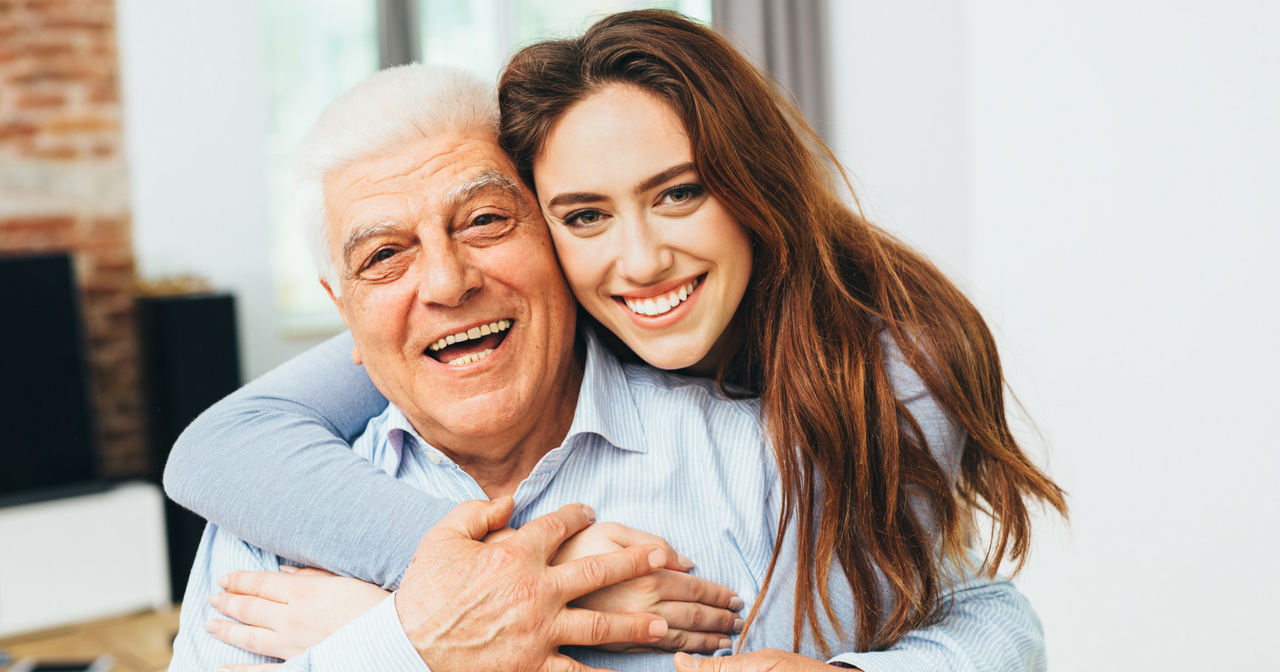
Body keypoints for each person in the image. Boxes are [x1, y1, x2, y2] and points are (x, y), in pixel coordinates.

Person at [168, 10, 1065, 670]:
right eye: (385, 258)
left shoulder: (803, 428)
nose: (444, 283)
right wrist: (412, 636)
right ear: (344, 309)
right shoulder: (269, 523)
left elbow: (981, 619)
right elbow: (220, 443)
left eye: (483, 220)